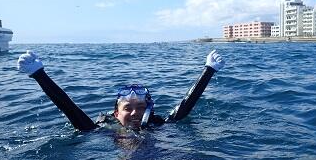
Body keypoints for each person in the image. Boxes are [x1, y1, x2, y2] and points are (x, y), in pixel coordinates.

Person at [17, 50, 225, 132]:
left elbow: (184, 107)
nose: (135, 112)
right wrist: (39, 74)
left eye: (141, 107)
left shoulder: (158, 124)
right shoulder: (103, 129)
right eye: (128, 108)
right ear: (116, 114)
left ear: (150, 111)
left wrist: (208, 70)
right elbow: (70, 109)